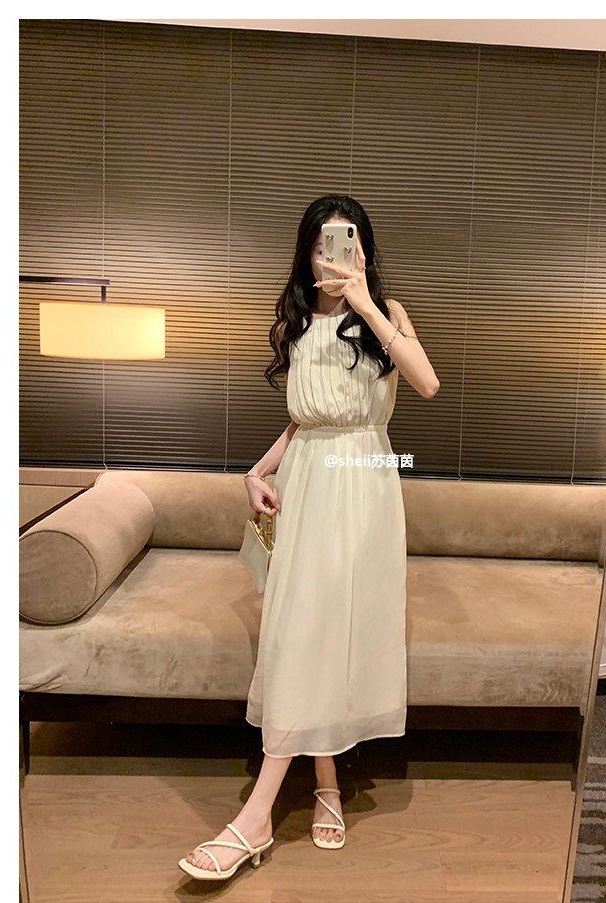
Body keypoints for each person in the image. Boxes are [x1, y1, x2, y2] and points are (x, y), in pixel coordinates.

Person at [179, 195, 440, 880]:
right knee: (302, 631)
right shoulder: (297, 323)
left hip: (362, 483)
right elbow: (305, 417)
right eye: (322, 244)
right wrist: (257, 471)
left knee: (324, 628)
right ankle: (325, 783)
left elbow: (427, 383)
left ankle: (255, 818)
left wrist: (366, 303)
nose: (333, 255)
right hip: (306, 481)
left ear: (363, 250)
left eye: (345, 243)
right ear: (307, 252)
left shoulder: (387, 315)